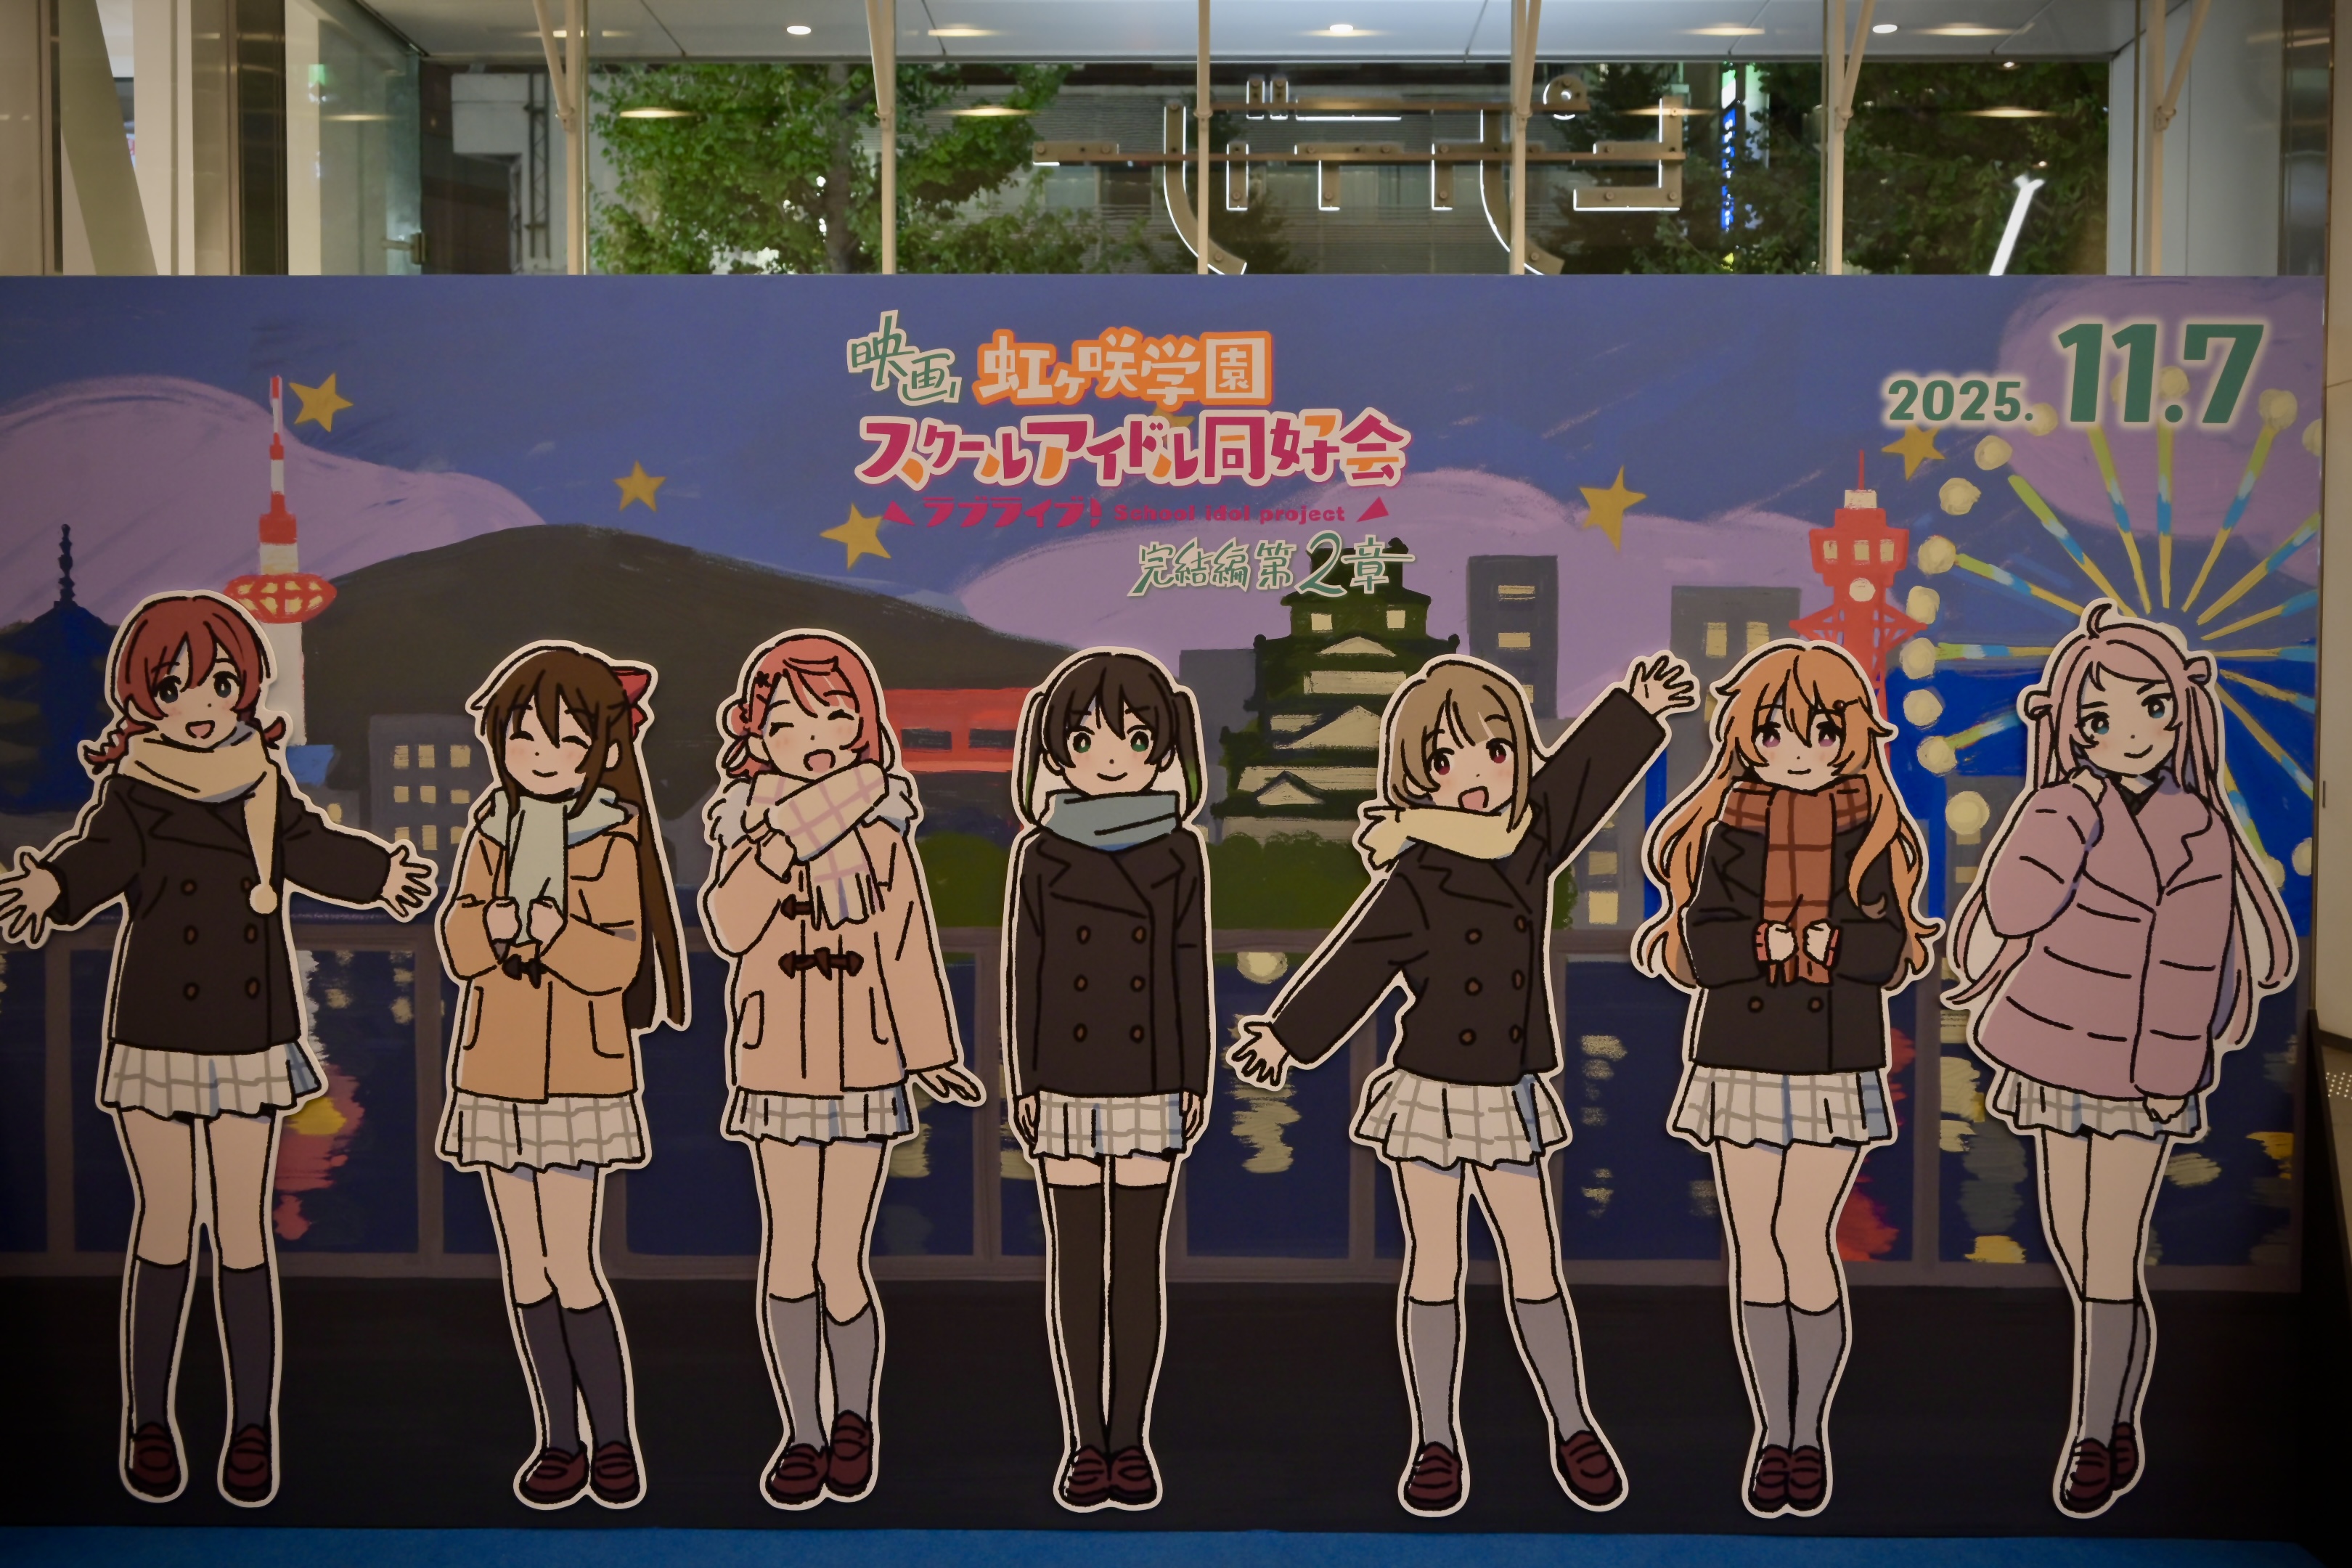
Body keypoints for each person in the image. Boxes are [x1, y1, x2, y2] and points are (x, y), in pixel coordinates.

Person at [1230, 652, 1691, 1516]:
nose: (1476, 773)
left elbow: (1581, 781)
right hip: (1430, 1088)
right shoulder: (1415, 877)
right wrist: (1288, 1037)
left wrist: (1634, 708)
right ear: (1418, 776)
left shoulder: (1530, 843)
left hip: (1506, 1087)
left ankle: (1572, 1423)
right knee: (1434, 1266)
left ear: (1519, 756)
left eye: (1495, 751)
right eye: (1446, 760)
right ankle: (1435, 1440)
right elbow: (1358, 962)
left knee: (1534, 1264)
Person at [0, 591, 434, 1507]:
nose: (200, 703)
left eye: (221, 682)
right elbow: (95, 861)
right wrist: (49, 888)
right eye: (175, 686)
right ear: (142, 698)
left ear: (246, 689)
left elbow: (317, 850)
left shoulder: (265, 784)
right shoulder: (132, 791)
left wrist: (381, 875)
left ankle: (250, 1427)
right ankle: (149, 1423)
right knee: (164, 1226)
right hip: (158, 1027)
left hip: (246, 1028)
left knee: (242, 1232)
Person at [1947, 603, 2294, 1519]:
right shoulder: (2062, 807)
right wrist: (2057, 813)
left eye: (2153, 709)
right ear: (2074, 726)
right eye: (2102, 717)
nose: (2132, 733)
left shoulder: (2198, 829)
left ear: (2181, 714)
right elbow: (2013, 909)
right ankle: (2122, 1406)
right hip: (2055, 1047)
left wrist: (2170, 1075)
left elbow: (2200, 962)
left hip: (2145, 1069)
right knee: (2075, 1243)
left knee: (2110, 1252)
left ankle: (2094, 1435)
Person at [1633, 640, 1937, 1518]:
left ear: (1851, 736)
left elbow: (1889, 947)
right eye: (1774, 733)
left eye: (1819, 732)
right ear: (1746, 737)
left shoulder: (1871, 832)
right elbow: (1704, 941)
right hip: (1740, 1051)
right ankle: (1775, 1433)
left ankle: (1810, 1432)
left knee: (1805, 1239)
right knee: (1754, 1245)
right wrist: (1769, 944)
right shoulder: (1728, 831)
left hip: (1834, 1057)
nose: (1796, 751)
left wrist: (1829, 945)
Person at [702, 631, 984, 1511]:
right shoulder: (746, 826)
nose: (814, 737)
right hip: (776, 1062)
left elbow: (907, 946)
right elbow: (729, 925)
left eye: (833, 716)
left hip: (864, 1061)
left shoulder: (884, 835)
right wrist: (783, 843)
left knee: (843, 1258)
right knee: (788, 1255)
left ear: (861, 726)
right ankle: (801, 1429)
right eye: (789, 721)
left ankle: (854, 1419)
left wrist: (931, 1054)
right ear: (758, 735)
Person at [434, 641, 687, 1511]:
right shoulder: (490, 832)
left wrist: (550, 934)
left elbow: (619, 960)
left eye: (566, 741)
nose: (542, 757)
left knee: (574, 1264)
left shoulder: (614, 836)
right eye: (525, 738)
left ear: (599, 750)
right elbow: (459, 940)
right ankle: (557, 1439)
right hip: (495, 1070)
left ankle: (612, 1441)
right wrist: (496, 925)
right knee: (524, 1270)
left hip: (580, 1074)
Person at [1003, 649, 1212, 1512]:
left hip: (1150, 1073)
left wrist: (1194, 1076)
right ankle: (1084, 1441)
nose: (1112, 756)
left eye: (1134, 737)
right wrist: (1025, 1078)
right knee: (1076, 1266)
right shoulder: (1041, 854)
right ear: (1056, 751)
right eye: (1086, 739)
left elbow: (1188, 966)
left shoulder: (1180, 851)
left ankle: (1130, 1439)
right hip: (1064, 1073)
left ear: (1164, 746)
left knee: (1136, 1268)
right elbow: (1026, 972)